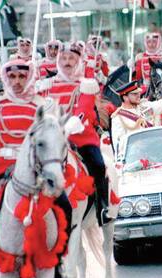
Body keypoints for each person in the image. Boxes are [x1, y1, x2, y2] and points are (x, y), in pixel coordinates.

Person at [0, 59, 72, 276]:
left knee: (65, 205)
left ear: (29, 77)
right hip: (1, 166)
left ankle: (58, 259)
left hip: (33, 168)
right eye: (12, 77)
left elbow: (50, 140)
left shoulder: (40, 106)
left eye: (22, 76)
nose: (17, 81)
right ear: (5, 78)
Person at [38, 42, 110, 225]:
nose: (67, 62)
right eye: (63, 58)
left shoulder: (86, 84)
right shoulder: (47, 85)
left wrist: (69, 126)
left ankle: (103, 208)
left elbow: (84, 110)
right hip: (54, 139)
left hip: (81, 138)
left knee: (99, 166)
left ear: (78, 61)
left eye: (71, 58)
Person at [111, 80, 162, 153]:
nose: (138, 95)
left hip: (156, 148)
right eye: (135, 94)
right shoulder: (118, 117)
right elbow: (119, 144)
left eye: (138, 93)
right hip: (138, 155)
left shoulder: (144, 106)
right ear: (125, 97)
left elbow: (161, 104)